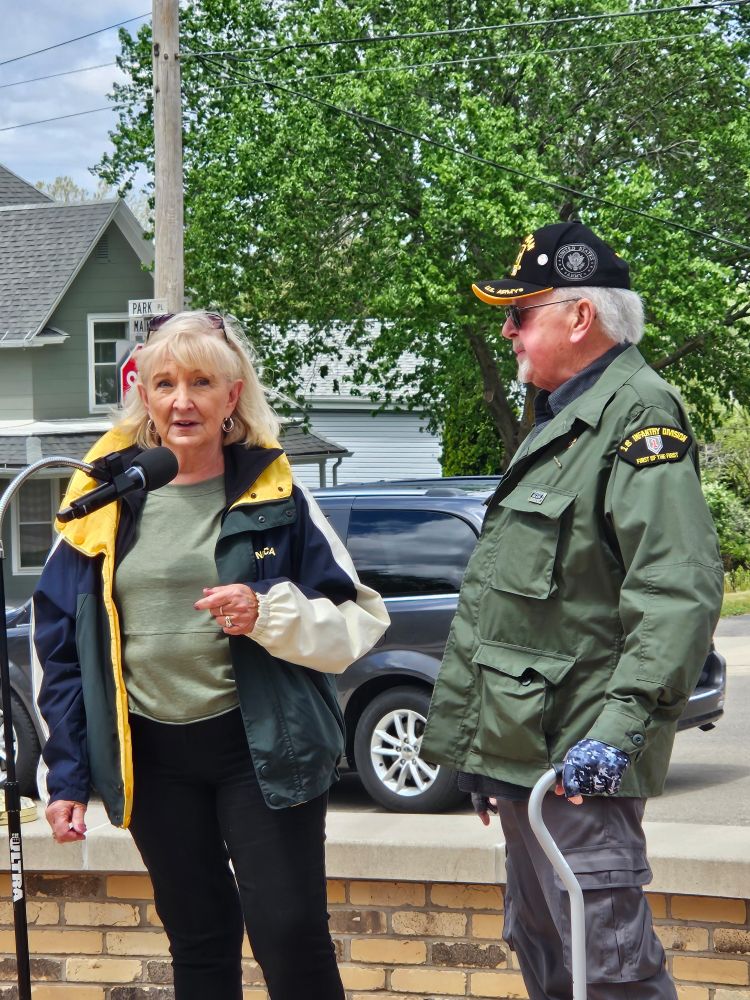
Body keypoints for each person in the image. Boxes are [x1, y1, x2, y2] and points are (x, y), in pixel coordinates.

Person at [33, 310, 390, 1000]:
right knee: (197, 938)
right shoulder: (100, 502)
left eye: (201, 382)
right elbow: (62, 652)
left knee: (288, 932)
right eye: (164, 383)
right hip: (152, 756)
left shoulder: (277, 493)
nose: (181, 400)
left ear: (232, 397)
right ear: (145, 397)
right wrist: (68, 776)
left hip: (259, 749)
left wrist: (266, 613)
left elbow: (356, 621)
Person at [422, 222, 724, 1000]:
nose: (508, 329)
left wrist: (616, 736)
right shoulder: (565, 419)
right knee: (551, 960)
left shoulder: (639, 414)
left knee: (609, 975)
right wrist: (486, 760)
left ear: (579, 317)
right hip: (530, 759)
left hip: (580, 762)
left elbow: (676, 589)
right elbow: (520, 612)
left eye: (522, 312)